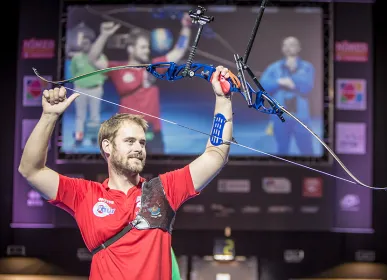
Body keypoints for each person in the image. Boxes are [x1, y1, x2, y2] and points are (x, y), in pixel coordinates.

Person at [18, 66, 235, 280]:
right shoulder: (85, 194)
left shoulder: (162, 190)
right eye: (130, 141)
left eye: (142, 142)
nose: (139, 148)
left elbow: (215, 156)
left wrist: (223, 100)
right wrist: (48, 117)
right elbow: (31, 170)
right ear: (107, 146)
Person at [89, 15, 192, 153]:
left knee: (158, 172)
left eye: (148, 47)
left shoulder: (153, 67)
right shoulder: (118, 68)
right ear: (131, 49)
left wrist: (186, 27)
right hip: (126, 133)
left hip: (152, 132)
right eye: (143, 47)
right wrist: (104, 35)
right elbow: (93, 59)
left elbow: (178, 51)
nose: (147, 50)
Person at [259, 36, 315, 155]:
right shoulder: (273, 67)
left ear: (299, 47)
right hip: (280, 116)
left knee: (307, 151)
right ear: (282, 48)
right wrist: (279, 82)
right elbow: (263, 85)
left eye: (292, 44)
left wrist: (293, 82)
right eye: (286, 45)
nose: (289, 48)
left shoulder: (307, 67)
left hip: (301, 117)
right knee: (281, 151)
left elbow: (308, 86)